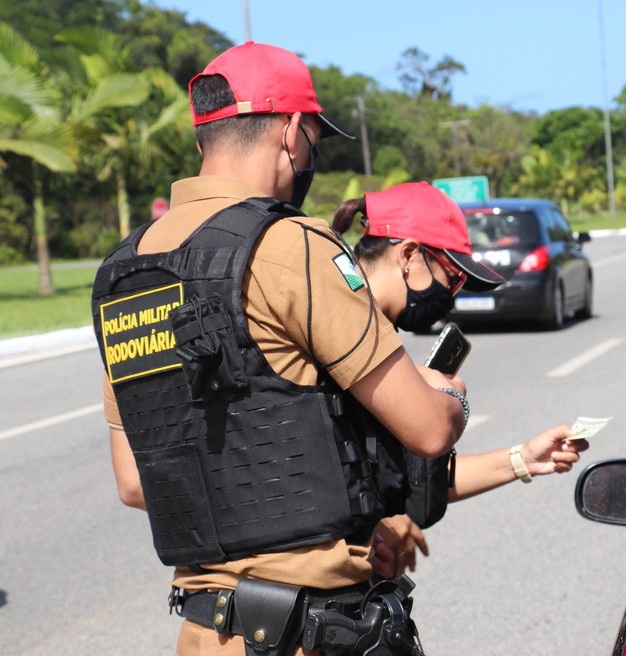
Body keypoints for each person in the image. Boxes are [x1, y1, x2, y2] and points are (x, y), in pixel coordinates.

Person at [90, 42, 481, 656]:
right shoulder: (292, 244)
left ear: (205, 139)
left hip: (203, 633)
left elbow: (137, 483)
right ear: (293, 133)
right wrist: (451, 398)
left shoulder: (123, 269)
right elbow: (428, 430)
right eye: (315, 144)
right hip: (315, 632)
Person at [328, 181, 591, 578]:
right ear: (409, 255)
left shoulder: (377, 337)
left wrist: (523, 459)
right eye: (451, 277)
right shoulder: (335, 330)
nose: (451, 295)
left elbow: (411, 480)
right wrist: (449, 399)